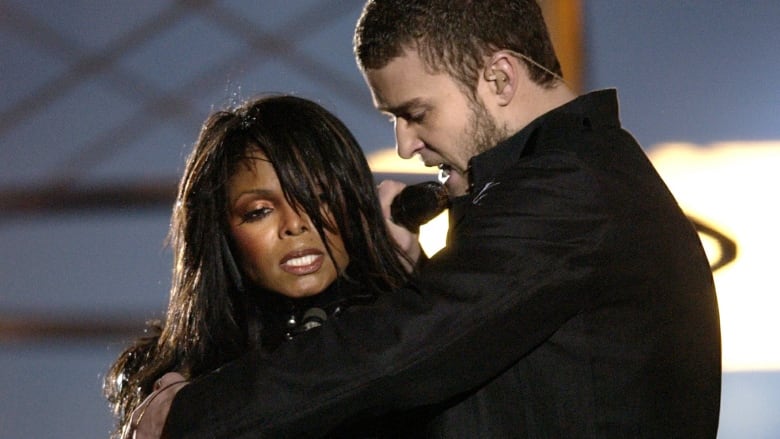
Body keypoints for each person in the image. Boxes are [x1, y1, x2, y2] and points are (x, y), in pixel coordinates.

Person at [151, 1, 723, 437]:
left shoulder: (571, 189)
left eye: (415, 113)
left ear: (499, 78)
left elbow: (402, 349)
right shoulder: (570, 180)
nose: (405, 145)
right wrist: (421, 269)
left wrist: (189, 415)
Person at [103, 94, 416, 438]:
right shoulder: (169, 385)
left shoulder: (416, 323)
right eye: (259, 211)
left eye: (320, 198)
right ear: (220, 232)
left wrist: (413, 281)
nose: (295, 225)